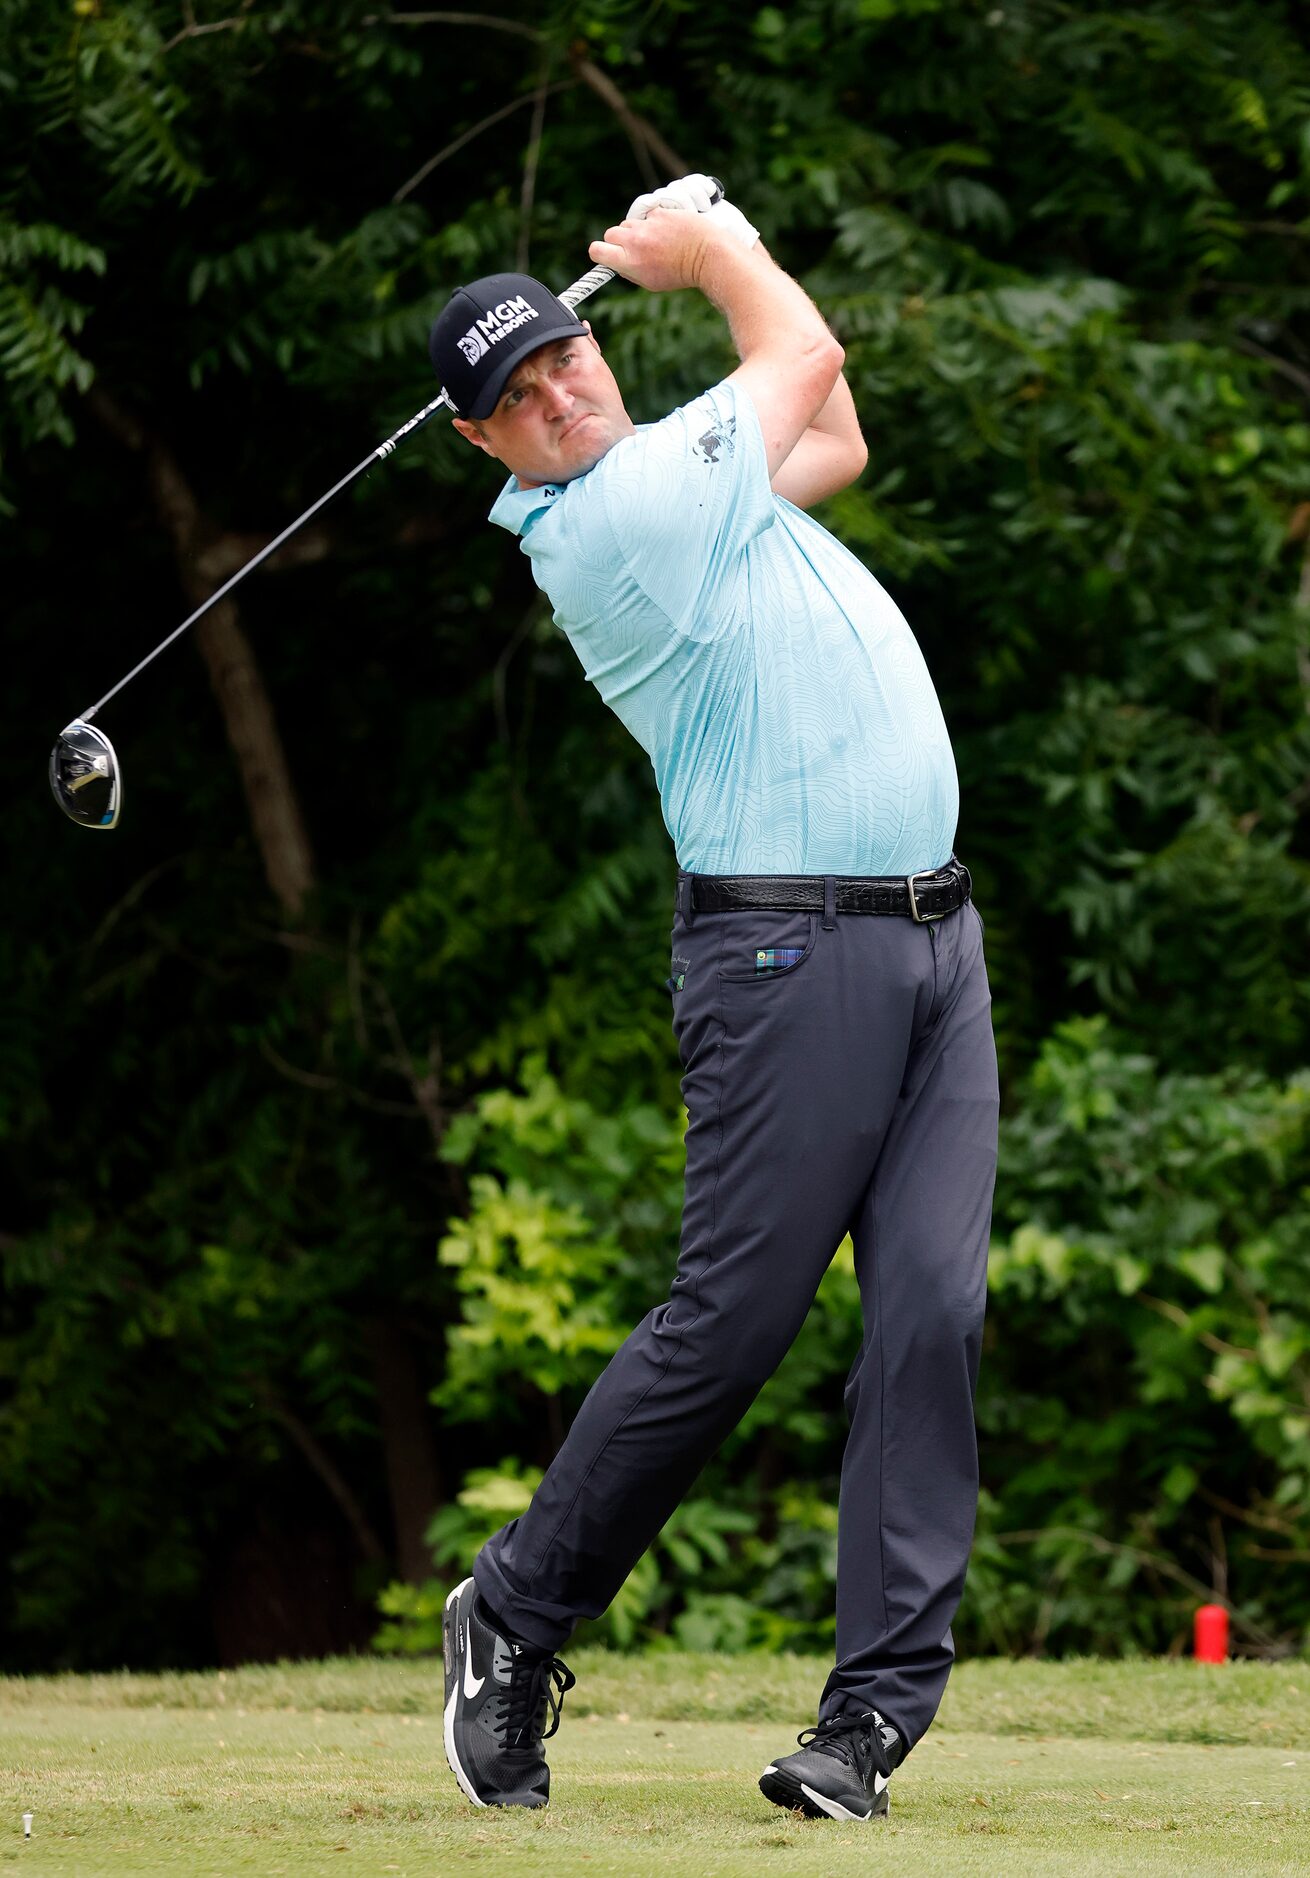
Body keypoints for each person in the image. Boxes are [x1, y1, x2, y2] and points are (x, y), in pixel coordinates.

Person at [428, 175, 999, 1825]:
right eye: (514, 400)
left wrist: (724, 261)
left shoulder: (686, 472)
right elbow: (801, 342)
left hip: (931, 942)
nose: (556, 395)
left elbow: (834, 425)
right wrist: (718, 246)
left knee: (928, 1318)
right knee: (734, 1321)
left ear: (592, 344)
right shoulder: (609, 523)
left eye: (562, 359)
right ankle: (516, 1612)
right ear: (484, 445)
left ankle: (867, 1721)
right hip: (783, 953)